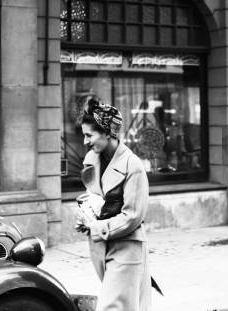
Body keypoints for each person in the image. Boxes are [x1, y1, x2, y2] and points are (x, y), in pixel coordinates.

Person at [75, 98, 152, 311]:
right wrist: (85, 215)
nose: (84, 141)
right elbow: (95, 196)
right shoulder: (92, 158)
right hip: (101, 247)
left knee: (111, 307)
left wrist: (95, 227)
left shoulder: (132, 165)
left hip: (127, 247)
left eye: (89, 135)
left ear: (108, 133)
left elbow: (133, 216)